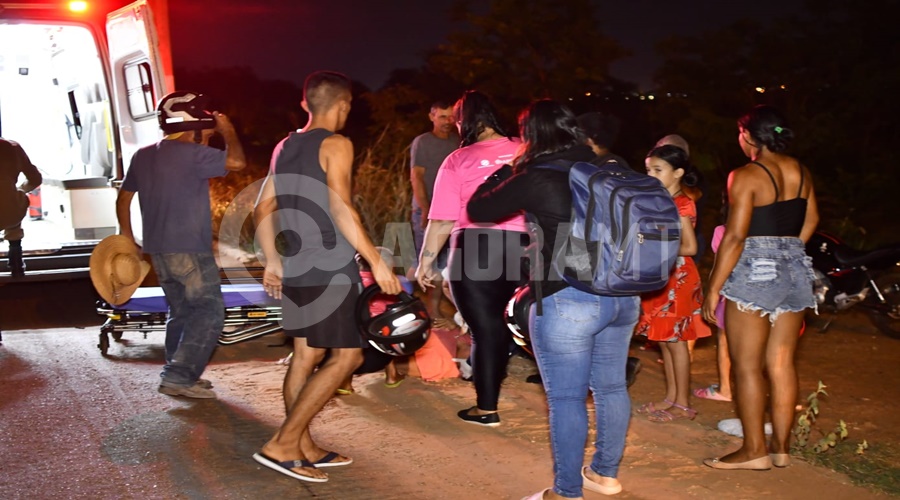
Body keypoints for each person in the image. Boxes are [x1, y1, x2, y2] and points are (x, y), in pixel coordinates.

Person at [469, 99, 637, 499]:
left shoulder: (538, 175)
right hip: (622, 296)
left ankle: (565, 493)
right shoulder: (612, 169)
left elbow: (479, 208)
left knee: (566, 398)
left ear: (532, 136)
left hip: (569, 299)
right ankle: (605, 474)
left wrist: (509, 168)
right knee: (611, 388)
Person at [253, 70, 401, 483]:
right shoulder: (337, 144)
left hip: (297, 261)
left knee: (306, 355)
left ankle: (302, 446)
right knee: (348, 357)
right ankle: (283, 443)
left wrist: (271, 260)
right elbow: (341, 208)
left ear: (306, 103)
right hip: (331, 265)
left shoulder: (285, 145)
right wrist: (375, 260)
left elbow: (263, 207)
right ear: (343, 105)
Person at [702, 105, 818, 470]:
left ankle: (754, 451)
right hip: (795, 268)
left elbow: (735, 236)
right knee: (781, 362)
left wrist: (713, 288)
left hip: (755, 268)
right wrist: (788, 250)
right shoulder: (801, 171)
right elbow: (811, 218)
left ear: (749, 136)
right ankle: (781, 448)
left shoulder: (746, 175)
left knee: (747, 366)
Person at [116, 91, 246, 399]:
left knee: (182, 311)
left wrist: (127, 236)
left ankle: (176, 372)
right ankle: (179, 376)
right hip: (188, 247)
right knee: (209, 312)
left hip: (158, 248)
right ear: (191, 122)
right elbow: (238, 162)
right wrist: (227, 131)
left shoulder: (143, 155)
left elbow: (123, 196)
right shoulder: (193, 155)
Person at [415, 90, 526, 427]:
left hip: (476, 247)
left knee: (486, 330)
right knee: (530, 327)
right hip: (525, 248)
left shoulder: (458, 159)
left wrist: (426, 262)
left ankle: (486, 408)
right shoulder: (525, 149)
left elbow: (443, 219)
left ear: (465, 122)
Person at [634, 145, 711, 422]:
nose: (651, 175)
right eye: (648, 170)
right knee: (663, 341)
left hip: (678, 278)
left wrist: (654, 246)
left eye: (658, 170)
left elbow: (689, 247)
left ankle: (682, 403)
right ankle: (671, 398)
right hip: (661, 276)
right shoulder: (659, 201)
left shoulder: (682, 204)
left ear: (678, 173)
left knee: (676, 342)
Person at [409, 101, 459, 329]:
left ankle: (438, 307)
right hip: (427, 209)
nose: (447, 122)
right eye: (442, 117)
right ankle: (431, 309)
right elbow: (416, 177)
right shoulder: (423, 142)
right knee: (428, 261)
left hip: (452, 212)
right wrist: (426, 209)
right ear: (431, 116)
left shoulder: (457, 142)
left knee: (448, 262)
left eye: (450, 117)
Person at [0, 138, 42, 277]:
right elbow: (35, 179)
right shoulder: (14, 147)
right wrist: (19, 190)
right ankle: (16, 261)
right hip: (10, 209)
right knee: (13, 205)